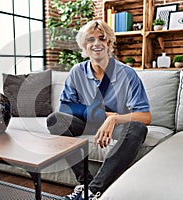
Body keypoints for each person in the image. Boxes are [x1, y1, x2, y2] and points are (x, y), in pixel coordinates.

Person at [46, 20, 151, 200]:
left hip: (116, 127)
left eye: (102, 38)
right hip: (88, 123)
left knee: (138, 128)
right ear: (84, 46)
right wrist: (103, 115)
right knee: (55, 119)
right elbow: (65, 107)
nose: (96, 43)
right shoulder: (77, 72)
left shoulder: (127, 74)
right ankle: (85, 183)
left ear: (109, 43)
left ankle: (93, 191)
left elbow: (145, 116)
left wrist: (113, 119)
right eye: (90, 39)